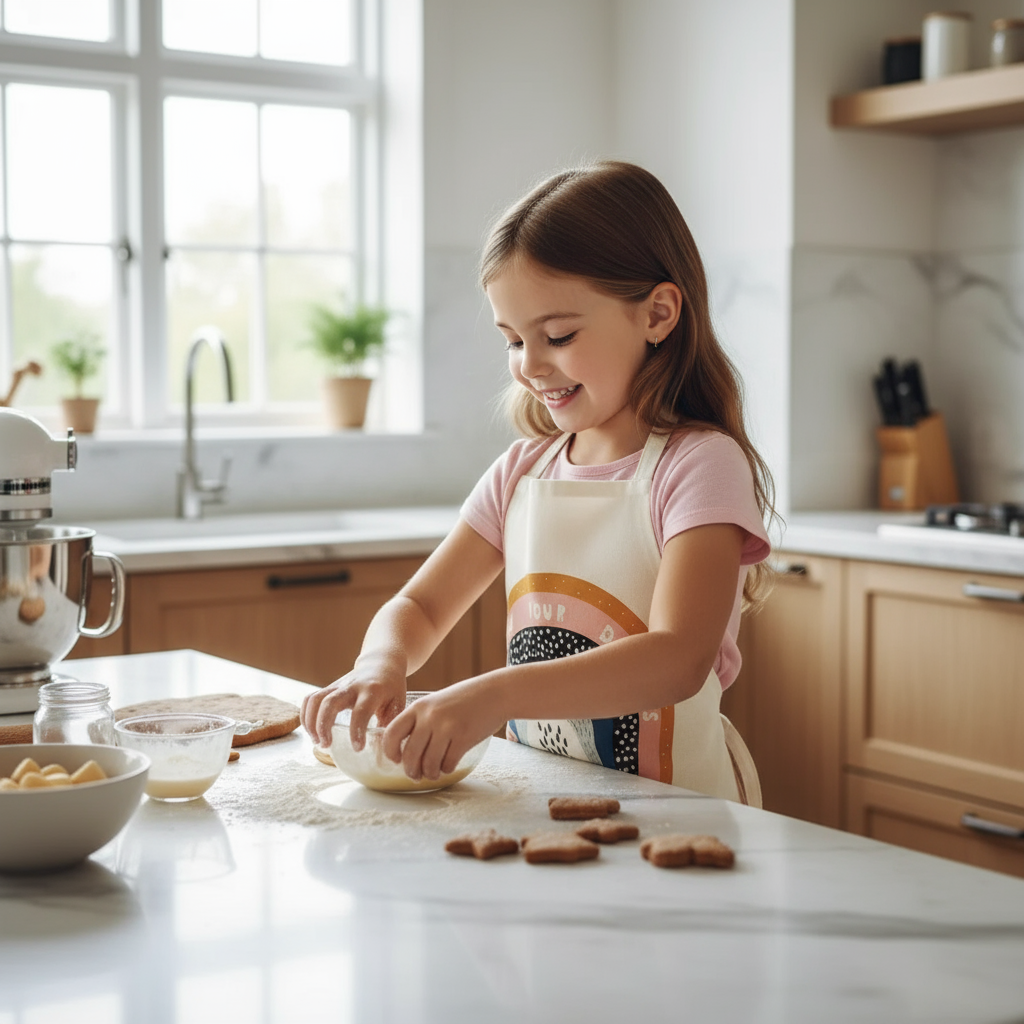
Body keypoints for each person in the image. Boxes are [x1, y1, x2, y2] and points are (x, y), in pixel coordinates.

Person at [302, 160, 775, 801]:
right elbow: (420, 606)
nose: (529, 365)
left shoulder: (700, 465)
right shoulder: (522, 472)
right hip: (548, 804)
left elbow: (677, 658)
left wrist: (492, 694)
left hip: (679, 814)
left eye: (557, 334)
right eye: (512, 340)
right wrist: (379, 663)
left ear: (658, 314)